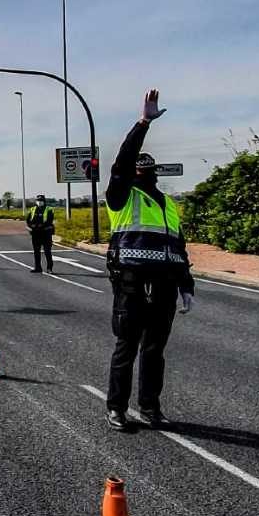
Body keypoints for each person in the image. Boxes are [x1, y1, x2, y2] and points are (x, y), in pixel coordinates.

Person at [104, 88, 194, 432]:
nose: (142, 170)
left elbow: (178, 248)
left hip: (166, 284)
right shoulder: (122, 196)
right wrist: (143, 123)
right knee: (127, 347)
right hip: (131, 280)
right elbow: (123, 161)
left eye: (146, 167)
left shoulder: (168, 204)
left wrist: (187, 286)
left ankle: (149, 407)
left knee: (155, 351)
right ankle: (116, 408)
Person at [25, 194, 55, 273]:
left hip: (45, 233)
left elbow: (49, 220)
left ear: (44, 201)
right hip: (35, 234)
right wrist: (32, 226)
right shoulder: (32, 209)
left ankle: (49, 268)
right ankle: (38, 268)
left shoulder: (49, 209)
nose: (39, 202)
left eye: (41, 201)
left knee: (47, 251)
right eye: (38, 201)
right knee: (36, 252)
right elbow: (28, 220)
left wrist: (41, 226)